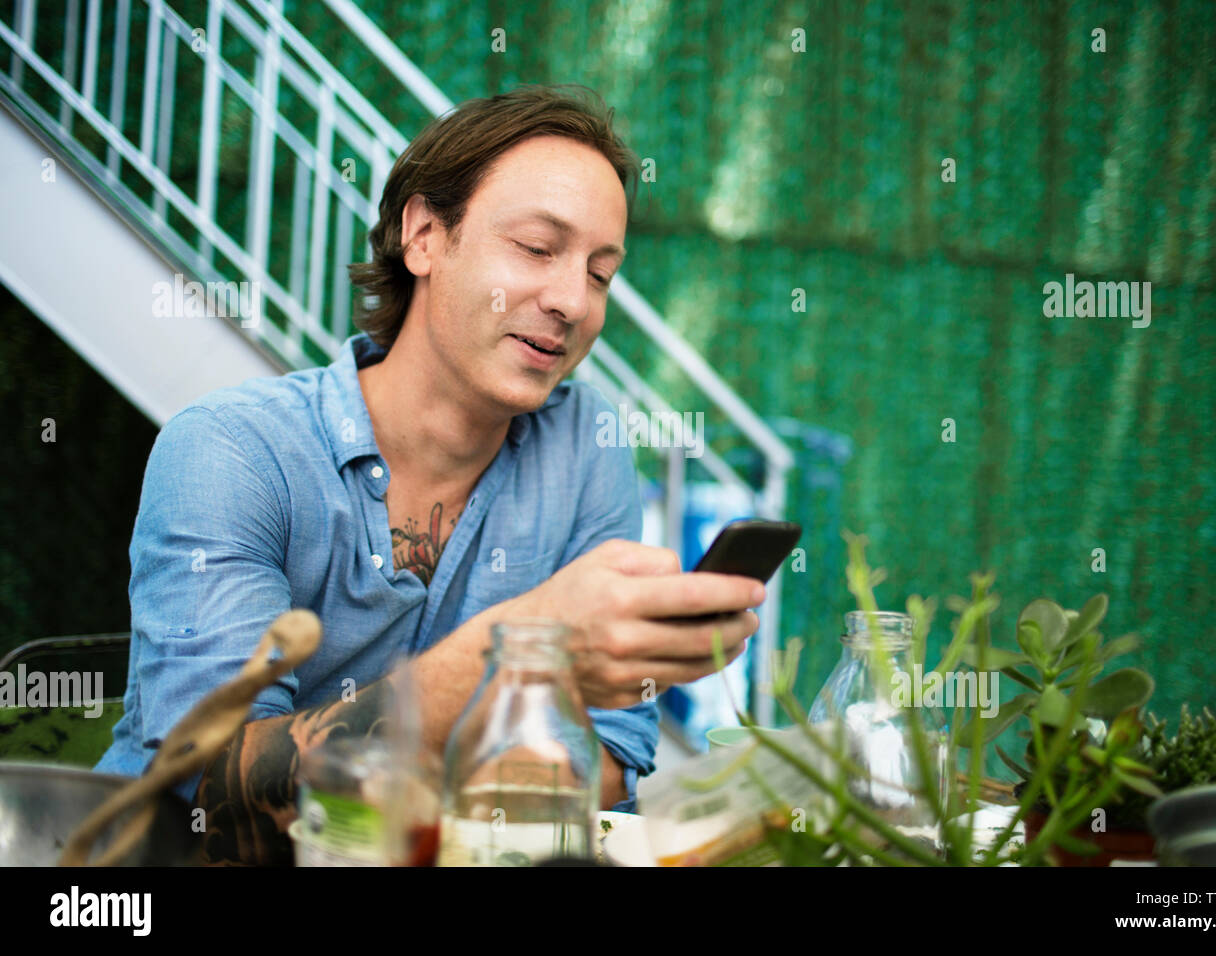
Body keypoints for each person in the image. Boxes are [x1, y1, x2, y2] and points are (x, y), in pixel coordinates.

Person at [95, 84, 764, 865]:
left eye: (601, 273)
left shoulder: (587, 449)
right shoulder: (231, 450)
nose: (571, 300)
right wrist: (518, 651)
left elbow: (611, 755)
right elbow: (209, 792)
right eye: (538, 248)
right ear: (423, 236)